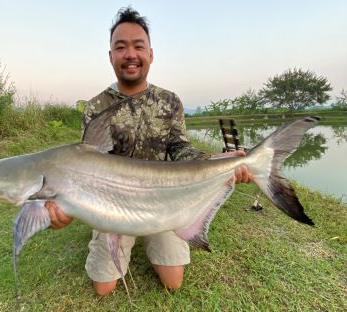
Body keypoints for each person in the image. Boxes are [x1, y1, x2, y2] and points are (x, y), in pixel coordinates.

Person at [45, 7, 252, 296]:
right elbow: (87, 164)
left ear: (150, 54)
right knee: (103, 288)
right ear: (111, 57)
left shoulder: (169, 101)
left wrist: (219, 163)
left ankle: (152, 236)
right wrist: (64, 209)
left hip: (162, 198)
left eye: (138, 46)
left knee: (173, 282)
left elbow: (181, 149)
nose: (130, 54)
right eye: (121, 47)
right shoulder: (95, 107)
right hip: (112, 201)